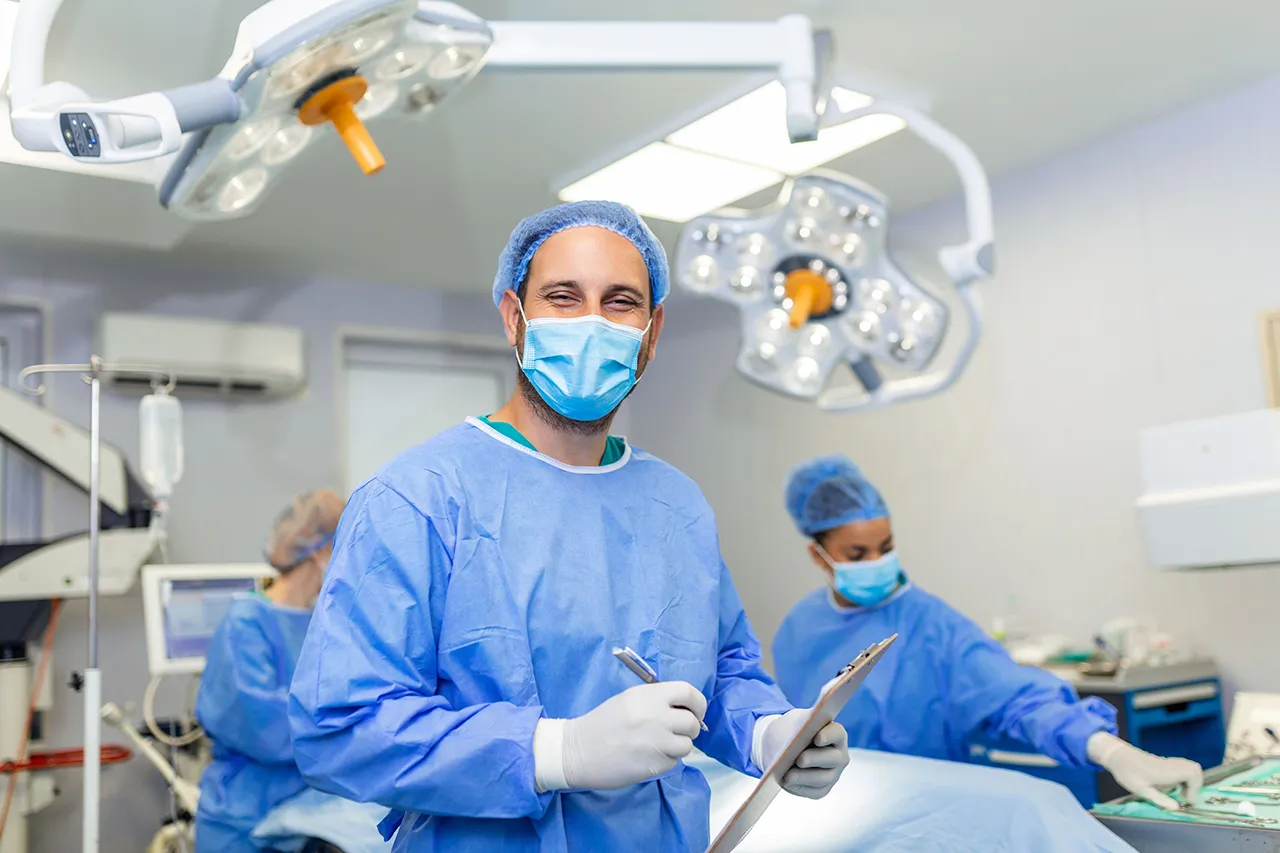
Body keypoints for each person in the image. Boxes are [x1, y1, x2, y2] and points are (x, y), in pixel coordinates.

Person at [288, 201, 850, 852]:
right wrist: (557, 749)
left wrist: (769, 733)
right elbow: (339, 726)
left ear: (652, 329)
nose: (592, 323)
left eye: (619, 302)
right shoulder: (417, 497)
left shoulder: (677, 503)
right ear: (514, 318)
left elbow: (718, 671)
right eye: (563, 297)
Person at [771, 454, 1204, 810]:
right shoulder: (797, 630)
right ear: (818, 555)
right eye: (857, 553)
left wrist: (1111, 751)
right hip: (828, 815)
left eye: (886, 548)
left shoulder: (931, 624)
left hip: (924, 816)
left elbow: (1017, 697)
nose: (878, 562)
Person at [196, 490, 388, 853]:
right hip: (247, 816)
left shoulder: (325, 622)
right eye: (345, 546)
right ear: (319, 551)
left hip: (311, 810)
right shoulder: (247, 623)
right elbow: (262, 725)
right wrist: (351, 727)